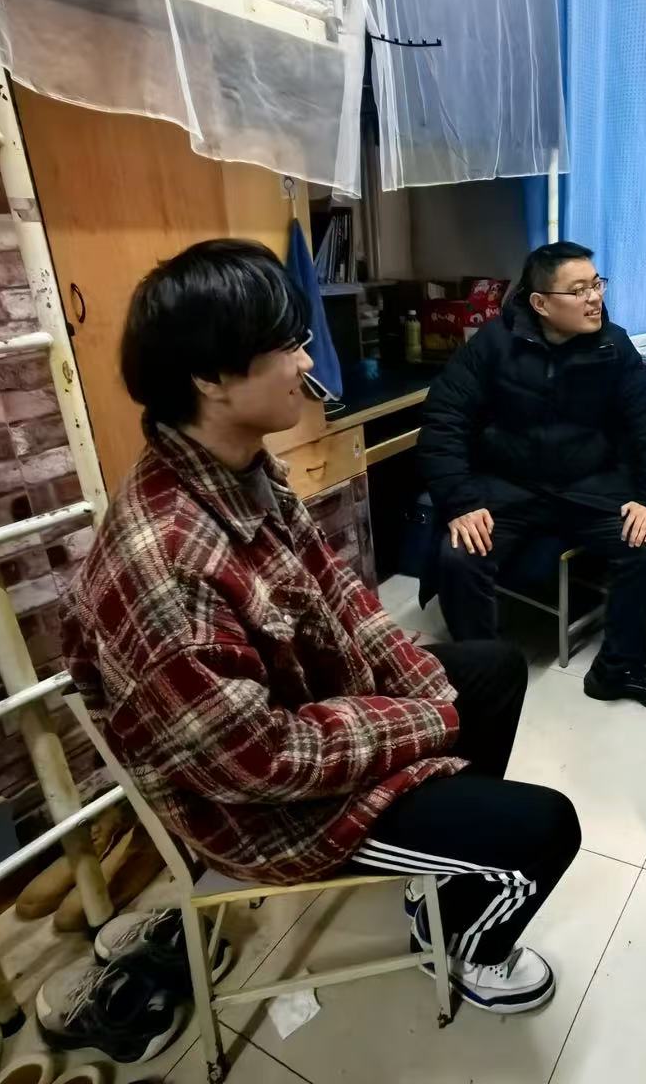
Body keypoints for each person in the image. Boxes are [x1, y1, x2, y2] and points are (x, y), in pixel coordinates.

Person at [64, 240, 580, 1019]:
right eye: (287, 345)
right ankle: (469, 946)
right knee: (545, 829)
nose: (308, 361)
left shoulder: (236, 466)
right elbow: (263, 762)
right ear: (210, 379)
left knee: (495, 666)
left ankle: (442, 866)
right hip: (265, 813)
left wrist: (420, 689)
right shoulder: (166, 565)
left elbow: (339, 591)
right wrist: (421, 720)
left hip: (306, 717)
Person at [418, 241, 646, 710]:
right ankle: (480, 675)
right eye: (579, 289)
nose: (595, 298)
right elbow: (444, 421)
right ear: (541, 303)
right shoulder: (493, 344)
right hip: (509, 484)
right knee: (460, 553)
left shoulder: (613, 346)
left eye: (597, 284)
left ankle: (620, 668)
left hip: (588, 483)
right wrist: (462, 502)